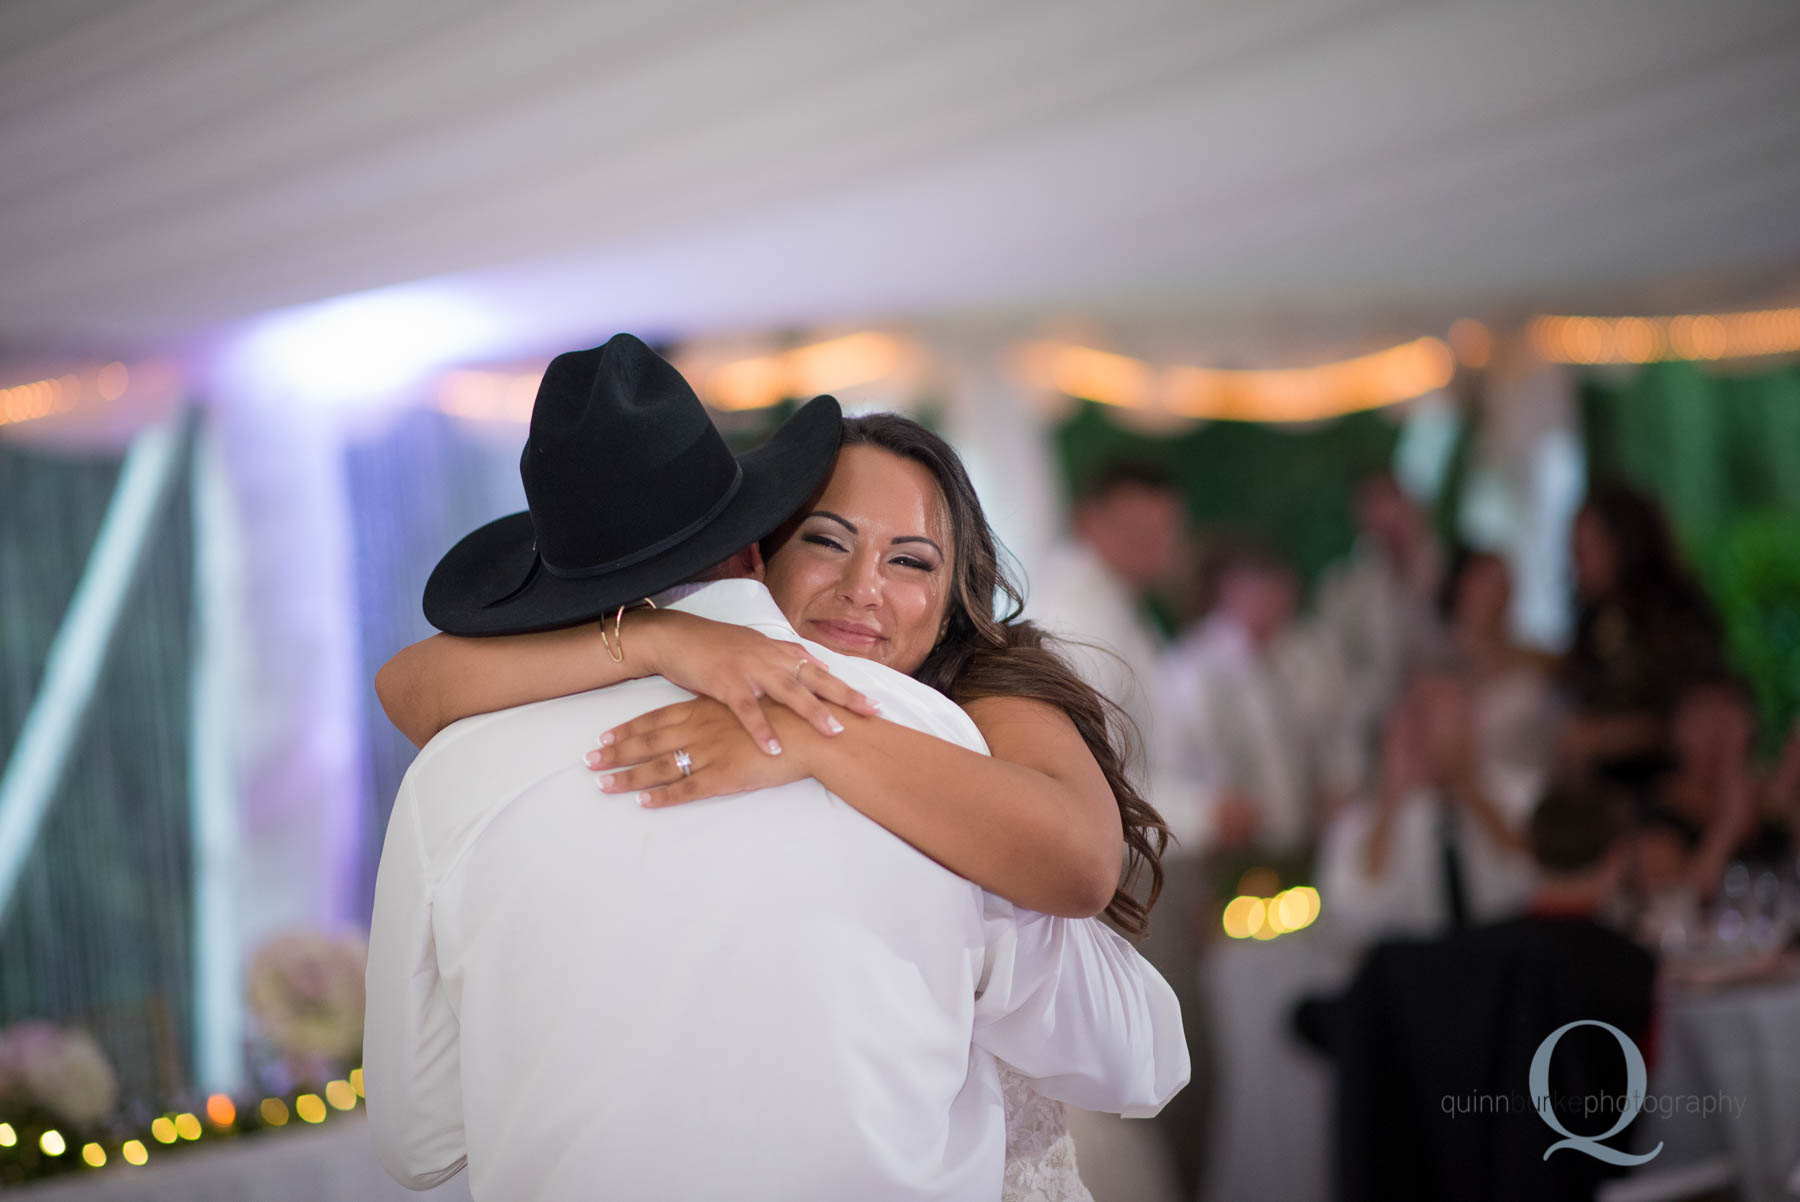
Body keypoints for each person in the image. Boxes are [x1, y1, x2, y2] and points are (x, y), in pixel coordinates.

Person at [365, 336, 1188, 1201]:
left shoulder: (961, 724)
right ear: (758, 546)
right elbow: (1133, 1052)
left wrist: (810, 738)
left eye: (912, 560)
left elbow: (419, 1144)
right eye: (828, 542)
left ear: (958, 595)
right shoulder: (920, 724)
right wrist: (668, 643)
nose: (864, 589)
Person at [1324, 785, 1656, 1202]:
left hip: (1473, 1170)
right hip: (1581, 1171)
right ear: (1616, 857)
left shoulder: (1474, 953)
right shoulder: (1626, 965)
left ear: (1531, 851)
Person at [1558, 483, 1727, 794]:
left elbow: (1701, 714)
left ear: (1623, 544)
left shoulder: (1676, 617)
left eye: (1585, 551)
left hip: (1671, 789)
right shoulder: (1592, 622)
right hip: (1604, 792)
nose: (1576, 566)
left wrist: (1611, 736)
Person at [1312, 471, 1446, 752]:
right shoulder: (1343, 588)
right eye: (1374, 504)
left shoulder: (1444, 574)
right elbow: (1333, 672)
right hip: (1372, 731)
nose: (1388, 515)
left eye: (1393, 500)